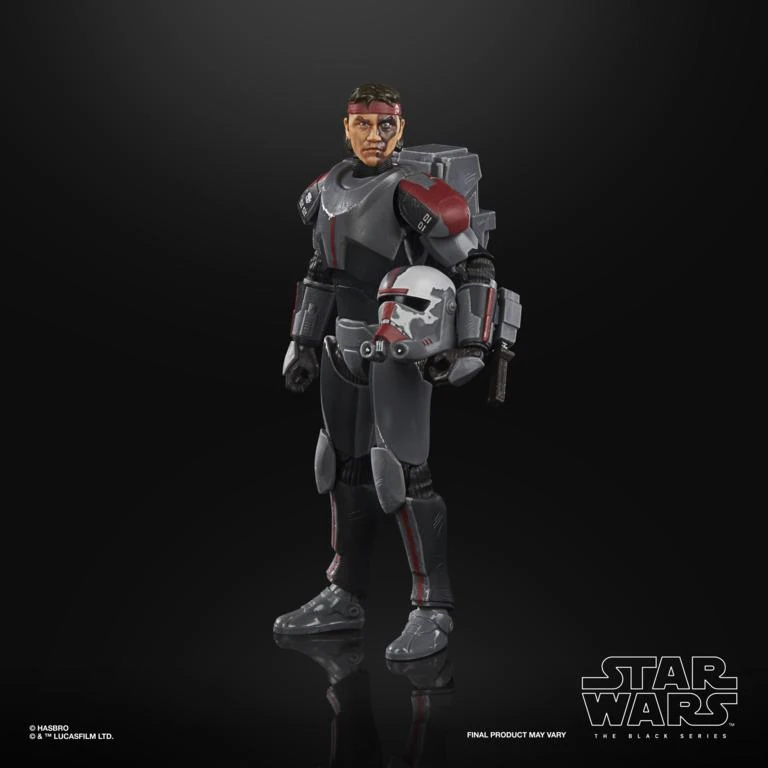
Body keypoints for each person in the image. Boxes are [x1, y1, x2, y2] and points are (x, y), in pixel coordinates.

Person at [274, 83, 502, 660]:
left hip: (396, 345)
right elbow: (322, 271)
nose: (374, 135)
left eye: (386, 125)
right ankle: (344, 594)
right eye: (363, 124)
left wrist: (472, 345)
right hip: (343, 345)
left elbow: (475, 263)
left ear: (400, 129)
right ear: (346, 127)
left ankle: (432, 606)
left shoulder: (409, 193)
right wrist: (302, 341)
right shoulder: (325, 190)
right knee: (339, 467)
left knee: (400, 474)